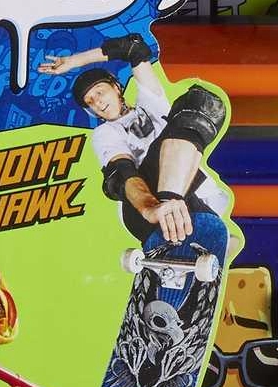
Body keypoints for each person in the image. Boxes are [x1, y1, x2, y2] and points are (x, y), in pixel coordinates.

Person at [39, 33, 230, 243]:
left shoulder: (151, 103)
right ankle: (168, 208)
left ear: (116, 87)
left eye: (99, 92)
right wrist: (150, 208)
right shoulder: (105, 133)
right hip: (144, 207)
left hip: (199, 197)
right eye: (90, 102)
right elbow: (122, 172)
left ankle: (180, 225)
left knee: (201, 102)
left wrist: (75, 61)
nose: (98, 103)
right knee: (133, 170)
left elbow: (134, 48)